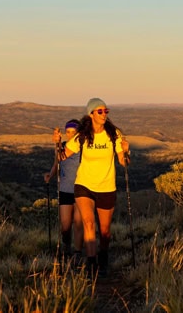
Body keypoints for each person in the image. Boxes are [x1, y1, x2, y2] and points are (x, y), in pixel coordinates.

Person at [55, 98, 129, 277]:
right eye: (100, 111)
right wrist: (57, 143)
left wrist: (126, 152)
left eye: (106, 111)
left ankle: (103, 258)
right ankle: (92, 264)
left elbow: (123, 162)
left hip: (106, 186)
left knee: (104, 231)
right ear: (91, 114)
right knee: (88, 223)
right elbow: (62, 156)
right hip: (84, 185)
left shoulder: (114, 134)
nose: (104, 114)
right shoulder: (82, 136)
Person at [44, 120, 84, 258]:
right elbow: (57, 163)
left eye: (74, 132)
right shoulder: (62, 147)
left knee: (79, 223)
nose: (71, 135)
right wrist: (51, 174)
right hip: (65, 189)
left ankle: (78, 253)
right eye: (68, 132)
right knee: (65, 225)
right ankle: (67, 246)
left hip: (81, 189)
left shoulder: (83, 148)